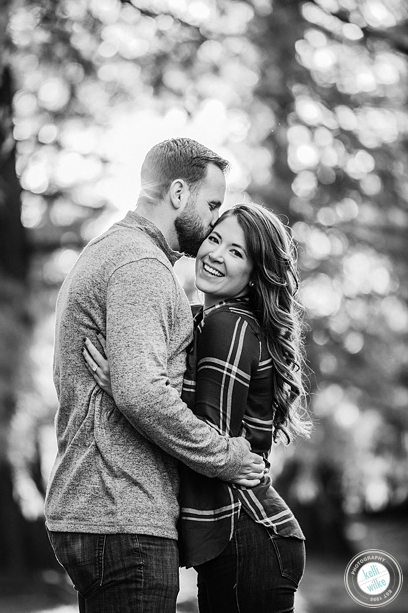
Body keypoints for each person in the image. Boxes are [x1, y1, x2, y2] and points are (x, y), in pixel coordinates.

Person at [44, 137, 266, 612]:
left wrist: (128, 384)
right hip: (123, 512)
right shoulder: (142, 266)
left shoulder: (111, 250)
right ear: (179, 194)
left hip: (101, 509)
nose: (212, 222)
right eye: (211, 205)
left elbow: (137, 382)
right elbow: (142, 392)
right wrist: (227, 455)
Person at [84, 203, 312, 612]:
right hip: (243, 539)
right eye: (215, 239)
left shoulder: (229, 325)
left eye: (237, 252)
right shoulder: (205, 322)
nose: (216, 254)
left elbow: (208, 442)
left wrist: (127, 389)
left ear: (256, 275)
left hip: (248, 533)